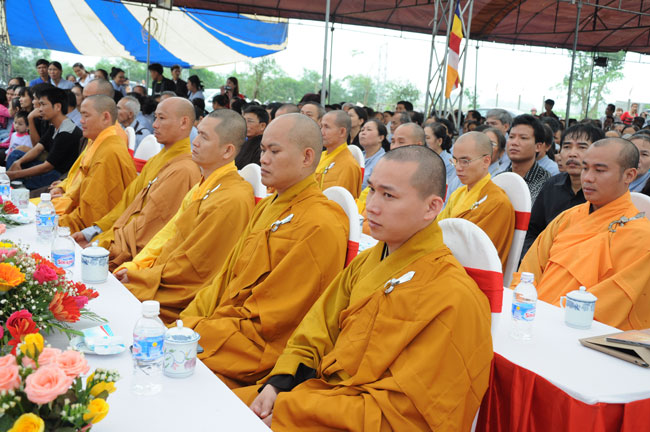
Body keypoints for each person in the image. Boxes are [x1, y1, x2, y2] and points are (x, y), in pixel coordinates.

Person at [241, 145, 493, 430]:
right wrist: (279, 383)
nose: (371, 206)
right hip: (317, 396)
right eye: (372, 190)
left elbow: (406, 414)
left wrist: (296, 410)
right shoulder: (366, 263)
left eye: (388, 195)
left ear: (432, 207)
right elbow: (314, 332)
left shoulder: (454, 297)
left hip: (350, 417)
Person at [177, 113, 349, 388]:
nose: (264, 159)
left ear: (306, 157)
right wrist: (188, 321)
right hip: (223, 326)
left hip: (256, 348)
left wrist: (201, 330)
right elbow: (224, 277)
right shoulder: (269, 206)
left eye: (274, 151)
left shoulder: (322, 223)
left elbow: (278, 321)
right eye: (263, 150)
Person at [114, 110, 255, 322]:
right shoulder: (203, 185)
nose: (195, 142)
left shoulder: (232, 199)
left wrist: (142, 277)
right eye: (198, 134)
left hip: (179, 294)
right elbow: (167, 235)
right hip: (159, 274)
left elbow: (195, 270)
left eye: (204, 137)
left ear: (227, 150)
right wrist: (137, 267)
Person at [516, 138, 650, 331]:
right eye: (585, 168)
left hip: (576, 332)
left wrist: (549, 321)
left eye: (599, 170)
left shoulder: (641, 237)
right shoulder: (568, 217)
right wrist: (521, 306)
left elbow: (610, 304)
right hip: (530, 319)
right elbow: (528, 271)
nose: (587, 177)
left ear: (629, 175)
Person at [73, 97, 201, 269]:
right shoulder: (156, 160)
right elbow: (127, 204)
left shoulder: (184, 171)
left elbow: (150, 227)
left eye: (161, 118)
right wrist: (93, 232)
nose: (154, 125)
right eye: (155, 117)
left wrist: (102, 244)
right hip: (116, 237)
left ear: (184, 122)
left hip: (133, 254)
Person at [55, 95, 136, 233]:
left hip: (94, 227)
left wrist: (58, 223)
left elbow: (92, 215)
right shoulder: (98, 141)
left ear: (105, 117)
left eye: (86, 116)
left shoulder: (109, 153)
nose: (81, 121)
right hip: (75, 207)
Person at [522, 123, 604, 257]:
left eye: (582, 147)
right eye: (566, 147)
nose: (572, 154)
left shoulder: (604, 191)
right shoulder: (552, 185)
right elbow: (532, 230)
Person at [437, 132, 515, 269]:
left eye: (465, 161)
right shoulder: (458, 193)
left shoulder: (497, 203)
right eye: (455, 161)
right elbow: (437, 230)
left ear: (486, 161)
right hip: (445, 262)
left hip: (468, 273)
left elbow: (477, 254)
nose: (458, 167)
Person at [6, 87, 82, 190]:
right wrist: (18, 162)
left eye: (43, 104)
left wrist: (15, 174)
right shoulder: (54, 125)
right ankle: (16, 184)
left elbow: (47, 166)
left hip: (59, 174)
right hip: (49, 168)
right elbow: (38, 148)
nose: (40, 109)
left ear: (57, 107)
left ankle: (18, 186)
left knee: (22, 178)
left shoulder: (67, 131)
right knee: (16, 155)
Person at [501, 114, 551, 202]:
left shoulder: (547, 183)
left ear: (538, 146)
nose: (514, 143)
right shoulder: (500, 178)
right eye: (511, 137)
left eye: (523, 138)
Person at [316, 110, 363, 198]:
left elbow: (342, 202)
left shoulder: (348, 165)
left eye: (327, 127)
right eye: (321, 126)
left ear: (342, 132)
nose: (321, 132)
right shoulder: (320, 156)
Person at [358, 119, 387, 189]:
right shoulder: (357, 155)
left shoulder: (384, 161)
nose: (363, 133)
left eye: (369, 130)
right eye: (362, 130)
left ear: (380, 138)